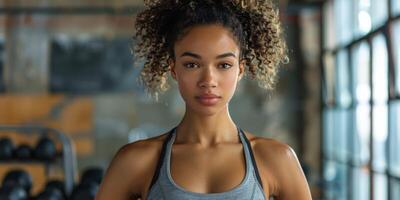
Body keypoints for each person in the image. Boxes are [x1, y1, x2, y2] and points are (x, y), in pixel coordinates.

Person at [96, 0, 312, 199]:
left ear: (240, 70)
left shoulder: (277, 159)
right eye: (192, 64)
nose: (208, 80)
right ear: (173, 68)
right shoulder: (136, 161)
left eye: (224, 65)